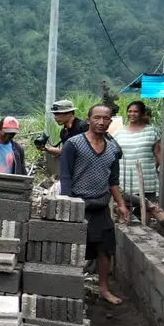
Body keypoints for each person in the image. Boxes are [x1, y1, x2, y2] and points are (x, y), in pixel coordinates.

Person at [61, 104, 129, 306]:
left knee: (104, 250)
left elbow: (113, 181)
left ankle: (103, 289)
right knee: (72, 250)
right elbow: (65, 176)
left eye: (105, 118)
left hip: (100, 207)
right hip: (77, 205)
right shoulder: (74, 144)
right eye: (96, 118)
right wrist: (67, 204)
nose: (101, 122)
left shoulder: (113, 149)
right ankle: (67, 289)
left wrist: (121, 205)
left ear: (110, 121)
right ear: (88, 120)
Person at [114, 101, 161, 206]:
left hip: (147, 179)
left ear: (142, 113)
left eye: (136, 111)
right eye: (129, 111)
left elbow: (159, 154)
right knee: (126, 210)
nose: (132, 114)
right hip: (125, 179)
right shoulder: (119, 133)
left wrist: (159, 170)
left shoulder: (152, 131)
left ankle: (147, 223)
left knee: (148, 207)